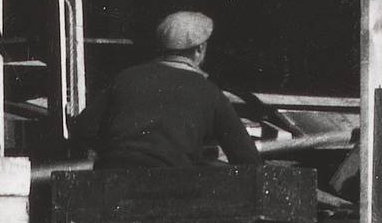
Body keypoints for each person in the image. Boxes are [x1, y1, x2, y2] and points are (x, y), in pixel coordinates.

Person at [79, 11, 260, 174]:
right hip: (170, 187)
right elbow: (247, 158)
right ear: (200, 49)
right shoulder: (209, 92)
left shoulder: (126, 77)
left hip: (110, 179)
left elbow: (83, 128)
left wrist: (118, 152)